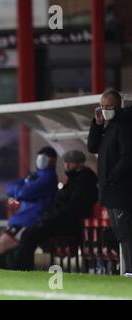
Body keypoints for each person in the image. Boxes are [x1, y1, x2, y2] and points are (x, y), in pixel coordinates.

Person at [13, 150, 98, 270]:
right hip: (60, 220)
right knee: (29, 233)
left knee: (30, 234)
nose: (67, 166)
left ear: (79, 164)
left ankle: (21, 268)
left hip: (68, 223)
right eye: (66, 163)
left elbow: (73, 207)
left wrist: (51, 218)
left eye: (71, 163)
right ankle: (22, 267)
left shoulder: (84, 180)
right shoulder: (76, 178)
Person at [87, 89, 132, 276]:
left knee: (125, 232)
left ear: (117, 105)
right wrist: (97, 124)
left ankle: (129, 270)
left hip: (121, 189)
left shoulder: (124, 125)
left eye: (108, 106)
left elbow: (127, 156)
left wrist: (111, 178)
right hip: (110, 190)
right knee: (119, 233)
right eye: (102, 106)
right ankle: (126, 269)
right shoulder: (109, 126)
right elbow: (92, 146)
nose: (104, 110)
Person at [0, 146, 58, 255]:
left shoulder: (49, 178)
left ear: (53, 161)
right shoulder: (34, 175)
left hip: (30, 221)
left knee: (0, 246)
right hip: (20, 219)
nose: (41, 161)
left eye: (44, 158)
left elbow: (23, 193)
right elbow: (9, 188)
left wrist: (22, 189)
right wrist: (21, 190)